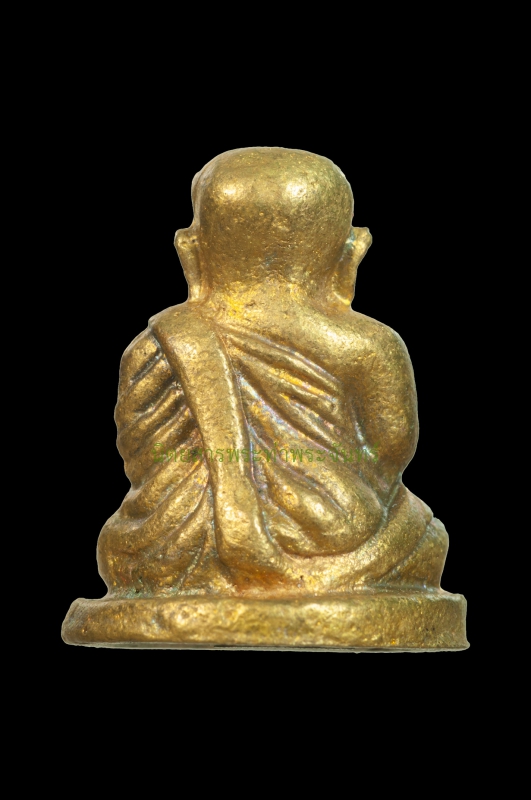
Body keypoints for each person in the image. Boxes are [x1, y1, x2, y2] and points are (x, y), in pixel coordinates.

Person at [97, 147, 448, 598]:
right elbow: (391, 450)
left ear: (190, 252)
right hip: (332, 530)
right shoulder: (367, 345)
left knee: (121, 544)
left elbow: (138, 455)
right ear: (351, 254)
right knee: (423, 531)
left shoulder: (154, 344)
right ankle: (324, 578)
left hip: (166, 546)